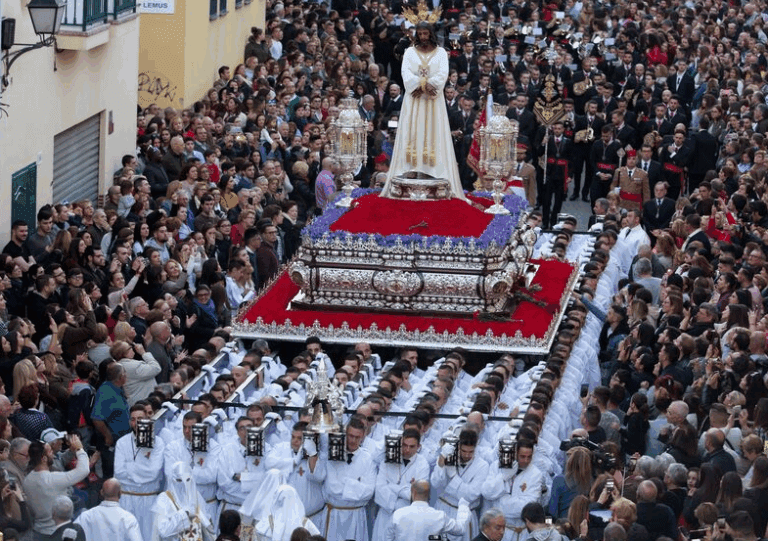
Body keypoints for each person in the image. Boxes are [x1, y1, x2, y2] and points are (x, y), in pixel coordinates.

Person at [381, 22, 467, 202]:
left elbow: (443, 72)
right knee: (413, 131)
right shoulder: (410, 52)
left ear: (431, 34)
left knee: (433, 132)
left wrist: (430, 85)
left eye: (426, 33)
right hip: (414, 99)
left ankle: (433, 169)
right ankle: (411, 168)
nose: (423, 37)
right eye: (420, 34)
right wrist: (419, 85)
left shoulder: (441, 52)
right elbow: (405, 72)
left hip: (433, 100)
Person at [115, 403, 166, 541]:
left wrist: (130, 467)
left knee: (149, 537)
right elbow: (119, 473)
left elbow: (154, 472)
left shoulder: (158, 442)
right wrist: (143, 470)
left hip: (149, 499)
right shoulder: (122, 442)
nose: (136, 422)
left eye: (140, 418)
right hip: (127, 498)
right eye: (133, 419)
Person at [22, 437, 90, 538]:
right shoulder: (52, 479)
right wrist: (79, 449)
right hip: (58, 532)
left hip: (38, 532)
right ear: (43, 459)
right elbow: (83, 470)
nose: (53, 454)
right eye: (50, 451)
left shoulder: (27, 480)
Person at [372, 428, 431, 541]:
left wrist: (392, 486)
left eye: (412, 446)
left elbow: (417, 495)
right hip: (386, 514)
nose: (407, 450)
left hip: (408, 518)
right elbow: (379, 488)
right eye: (404, 445)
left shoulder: (423, 464)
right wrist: (403, 494)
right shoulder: (387, 460)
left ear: (418, 447)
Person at [481, 440, 543, 541]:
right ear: (514, 454)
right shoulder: (496, 467)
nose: (526, 460)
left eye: (529, 457)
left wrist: (499, 501)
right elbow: (486, 493)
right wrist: (504, 477)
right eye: (522, 456)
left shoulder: (536, 474)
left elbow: (527, 508)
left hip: (522, 532)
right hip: (500, 531)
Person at [386, 480, 470, 541]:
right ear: (429, 494)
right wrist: (463, 506)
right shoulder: (439, 516)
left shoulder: (397, 515)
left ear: (413, 493)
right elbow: (460, 529)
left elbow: (387, 538)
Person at [152, 461, 216, 541]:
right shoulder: (164, 499)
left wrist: (202, 518)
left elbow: (208, 526)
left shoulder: (196, 496)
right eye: (179, 480)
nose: (184, 485)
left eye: (188, 480)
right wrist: (183, 514)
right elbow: (163, 531)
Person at [75, 477, 143, 541]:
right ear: (120, 493)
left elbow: (72, 535)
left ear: (101, 492)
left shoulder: (86, 516)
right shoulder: (128, 519)